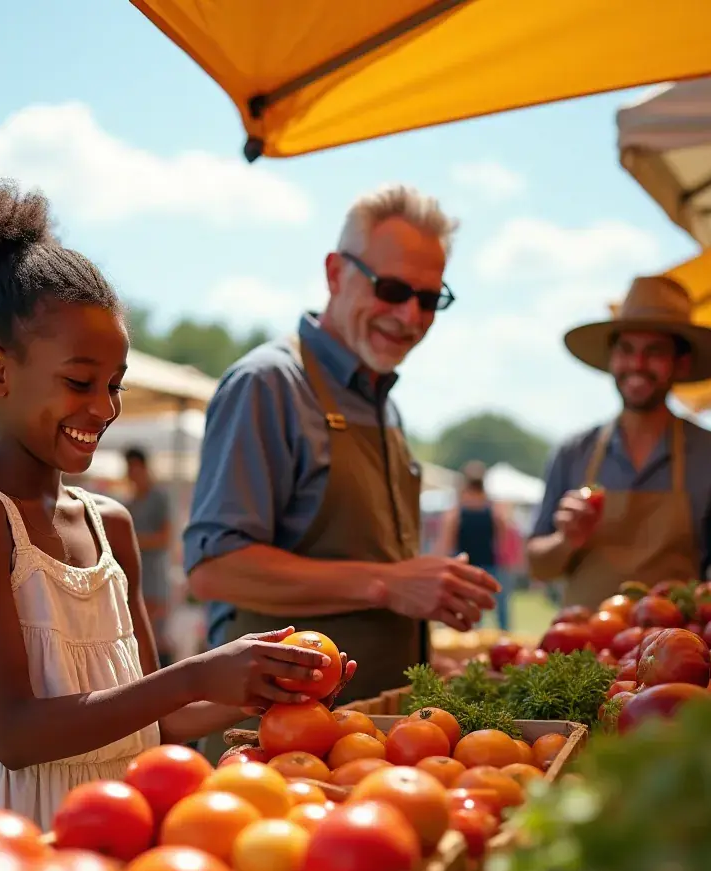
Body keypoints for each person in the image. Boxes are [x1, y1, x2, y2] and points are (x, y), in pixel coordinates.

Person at [0, 181, 354, 871]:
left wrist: (263, 690)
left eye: (115, 384)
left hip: (109, 830)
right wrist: (196, 673)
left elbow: (151, 719)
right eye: (80, 382)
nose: (104, 408)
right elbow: (15, 733)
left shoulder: (111, 526)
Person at [183, 184, 499, 701]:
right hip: (277, 732)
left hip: (373, 728)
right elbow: (215, 570)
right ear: (335, 273)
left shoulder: (384, 405)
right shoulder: (269, 384)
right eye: (391, 290)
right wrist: (388, 583)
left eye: (428, 299)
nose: (411, 316)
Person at [528, 276, 711, 608]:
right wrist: (566, 539)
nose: (637, 365)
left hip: (675, 639)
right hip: (582, 637)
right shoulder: (573, 452)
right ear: (611, 358)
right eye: (626, 350)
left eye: (654, 352)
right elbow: (537, 566)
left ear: (681, 364)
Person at [435, 461, 512, 631]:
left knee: (470, 616)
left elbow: (446, 544)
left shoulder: (456, 512)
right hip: (490, 566)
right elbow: (503, 541)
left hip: (466, 569)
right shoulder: (494, 511)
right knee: (501, 615)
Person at [122, 447, 173, 666]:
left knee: (153, 634)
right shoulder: (130, 502)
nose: (131, 473)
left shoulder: (159, 497)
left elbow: (165, 538)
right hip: (133, 575)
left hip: (154, 575)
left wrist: (133, 540)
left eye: (133, 468)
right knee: (138, 633)